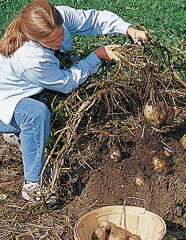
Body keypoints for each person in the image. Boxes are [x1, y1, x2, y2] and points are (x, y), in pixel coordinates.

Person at [0, 0, 148, 209]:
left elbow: (93, 19)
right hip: (5, 102)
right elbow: (66, 83)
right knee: (36, 114)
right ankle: (32, 185)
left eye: (60, 35)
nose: (59, 43)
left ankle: (27, 136)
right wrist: (96, 57)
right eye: (51, 42)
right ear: (34, 38)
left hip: (29, 87)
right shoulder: (31, 58)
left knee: (54, 105)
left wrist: (128, 29)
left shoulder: (56, 17)